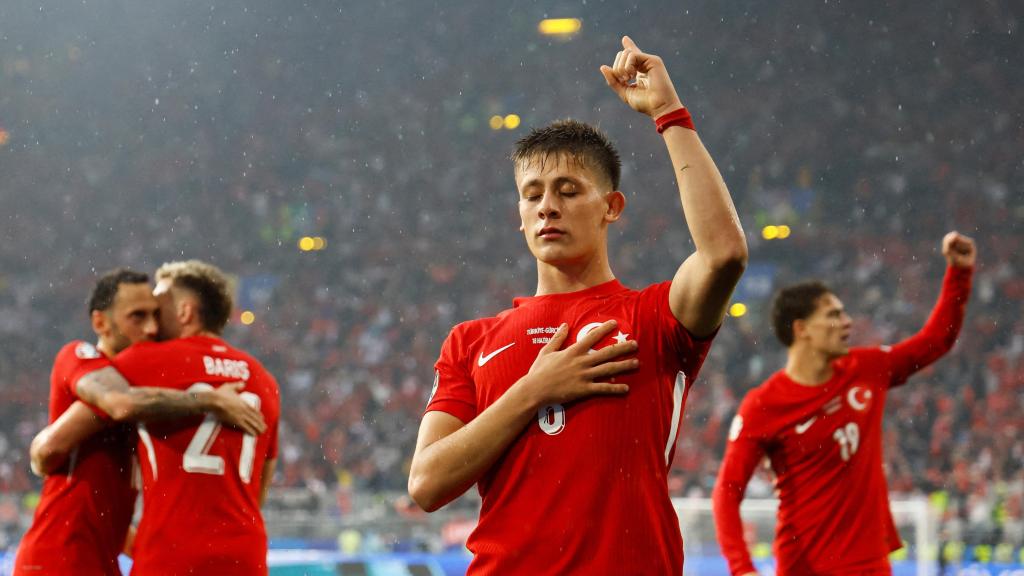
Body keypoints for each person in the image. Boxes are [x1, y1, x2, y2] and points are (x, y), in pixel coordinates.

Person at [408, 36, 747, 574]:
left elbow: (725, 254)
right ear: (519, 216)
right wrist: (533, 391)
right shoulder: (470, 341)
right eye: (533, 194)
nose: (547, 207)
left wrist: (667, 112)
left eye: (568, 190)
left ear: (612, 206)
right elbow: (426, 484)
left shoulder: (655, 318)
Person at [712, 232, 976, 574]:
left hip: (869, 564)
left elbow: (935, 341)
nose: (847, 322)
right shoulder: (763, 405)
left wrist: (960, 273)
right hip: (803, 566)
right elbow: (726, 492)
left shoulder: (866, 369)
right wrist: (742, 567)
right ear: (802, 329)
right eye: (834, 316)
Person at [15, 268, 264, 576]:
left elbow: (103, 505)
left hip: (100, 562)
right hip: (58, 557)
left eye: (154, 315)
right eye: (137, 317)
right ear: (100, 323)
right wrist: (209, 399)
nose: (150, 328)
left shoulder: (148, 395)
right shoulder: (81, 356)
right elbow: (50, 447)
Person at [110, 260, 280, 575]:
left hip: (171, 556)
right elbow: (258, 489)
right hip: (244, 557)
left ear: (185, 312)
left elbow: (101, 400)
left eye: (158, 309)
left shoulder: (144, 361)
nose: (150, 324)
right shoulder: (263, 380)